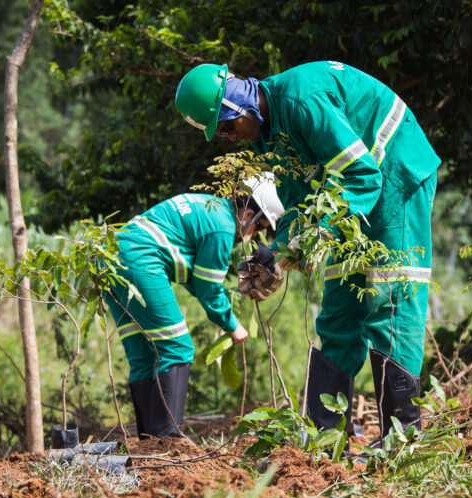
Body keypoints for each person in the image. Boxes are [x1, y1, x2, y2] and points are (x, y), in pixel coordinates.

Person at [175, 61, 442, 440]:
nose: (228, 137)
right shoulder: (269, 136)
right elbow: (297, 205)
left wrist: (309, 241)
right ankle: (324, 438)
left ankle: (401, 440)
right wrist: (273, 255)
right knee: (339, 308)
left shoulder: (302, 99)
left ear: (241, 107)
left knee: (389, 297)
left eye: (226, 126)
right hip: (352, 195)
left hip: (396, 171)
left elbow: (364, 175)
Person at [104, 176, 284, 439]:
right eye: (258, 228)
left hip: (112, 260)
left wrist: (224, 299)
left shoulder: (209, 206)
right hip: (140, 261)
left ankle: (148, 443)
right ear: (248, 214)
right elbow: (208, 291)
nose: (253, 236)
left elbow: (197, 280)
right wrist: (233, 326)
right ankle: (168, 441)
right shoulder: (221, 228)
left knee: (145, 354)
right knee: (177, 348)